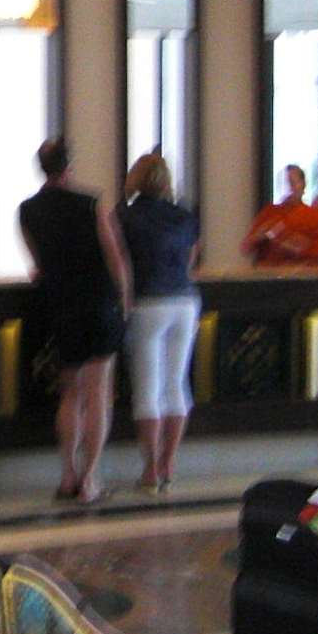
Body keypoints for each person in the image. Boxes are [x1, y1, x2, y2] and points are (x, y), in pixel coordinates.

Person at [18, 137, 131, 503]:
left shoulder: (27, 210)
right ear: (69, 166)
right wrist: (125, 299)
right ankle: (90, 479)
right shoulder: (93, 204)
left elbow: (38, 261)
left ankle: (68, 474)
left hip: (62, 306)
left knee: (70, 392)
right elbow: (114, 257)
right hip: (98, 303)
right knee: (98, 393)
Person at [117, 152, 202, 493]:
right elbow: (190, 258)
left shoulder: (126, 216)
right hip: (185, 302)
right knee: (176, 385)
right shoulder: (185, 215)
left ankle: (150, 469)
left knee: (147, 390)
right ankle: (169, 463)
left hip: (147, 303)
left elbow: (119, 261)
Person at [243, 164, 318, 265]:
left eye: (292, 183)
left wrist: (297, 246)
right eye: (284, 184)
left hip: (303, 272)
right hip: (270, 272)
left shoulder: (316, 216)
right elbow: (245, 247)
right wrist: (259, 235)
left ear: (303, 185)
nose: (288, 189)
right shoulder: (269, 213)